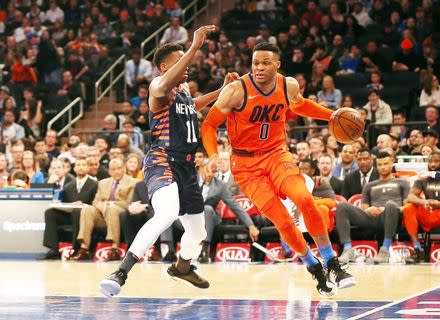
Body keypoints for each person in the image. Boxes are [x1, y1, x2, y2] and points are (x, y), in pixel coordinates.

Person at [201, 42, 355, 296]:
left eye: (265, 63)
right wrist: (213, 156)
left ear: (277, 64)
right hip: (246, 165)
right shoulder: (235, 90)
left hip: (276, 154)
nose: (259, 68)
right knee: (283, 220)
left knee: (305, 198)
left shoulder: (288, 85)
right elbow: (208, 125)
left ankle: (331, 262)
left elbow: (300, 104)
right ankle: (313, 267)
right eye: (255, 63)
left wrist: (330, 116)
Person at [100, 26, 238, 296]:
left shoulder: (183, 91)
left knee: (197, 232)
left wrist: (221, 91)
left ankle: (183, 267)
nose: (186, 64)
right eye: (179, 59)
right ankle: (121, 272)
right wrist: (194, 47)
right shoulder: (157, 85)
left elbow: (193, 105)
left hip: (186, 167)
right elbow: (164, 83)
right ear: (164, 66)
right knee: (166, 213)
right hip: (162, 159)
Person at [335, 152, 409, 264]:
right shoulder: (369, 185)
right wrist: (368, 210)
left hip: (392, 216)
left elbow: (407, 206)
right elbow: (364, 208)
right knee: (342, 206)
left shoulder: (402, 182)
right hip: (373, 218)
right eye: (379, 164)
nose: (382, 167)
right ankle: (347, 249)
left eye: (385, 164)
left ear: (392, 163)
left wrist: (387, 209)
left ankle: (384, 250)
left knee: (390, 204)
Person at [40, 159, 98, 260]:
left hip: (87, 216)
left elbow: (96, 203)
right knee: (50, 212)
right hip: (71, 214)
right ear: (74, 168)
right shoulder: (69, 185)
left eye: (83, 165)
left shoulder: (95, 184)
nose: (80, 167)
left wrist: (83, 204)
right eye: (78, 165)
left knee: (77, 211)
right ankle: (53, 249)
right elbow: (66, 202)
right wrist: (59, 204)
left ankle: (76, 249)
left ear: (88, 168)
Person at [403, 152, 440, 264]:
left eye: (436, 161)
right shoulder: (423, 177)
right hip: (429, 212)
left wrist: (439, 204)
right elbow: (410, 196)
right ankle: (418, 250)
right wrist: (423, 202)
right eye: (430, 161)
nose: (433, 164)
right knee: (408, 208)